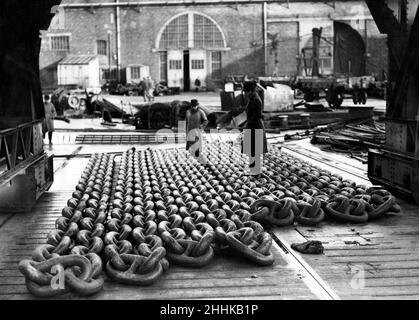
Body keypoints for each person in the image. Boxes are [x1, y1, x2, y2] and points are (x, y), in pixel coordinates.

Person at [241, 81, 268, 177]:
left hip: (256, 126)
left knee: (255, 150)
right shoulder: (252, 98)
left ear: (250, 91)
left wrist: (246, 124)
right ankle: (253, 170)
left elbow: (257, 115)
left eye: (246, 92)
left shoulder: (256, 99)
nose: (245, 94)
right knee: (252, 150)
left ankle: (256, 172)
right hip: (252, 125)